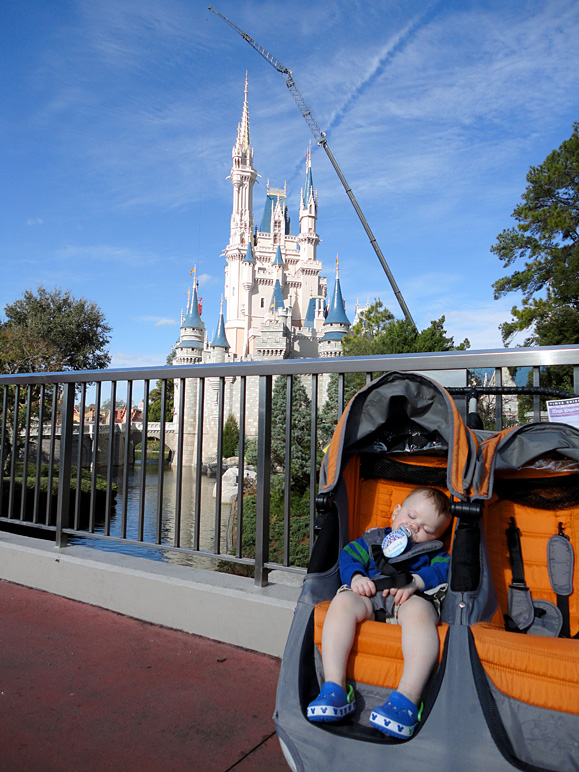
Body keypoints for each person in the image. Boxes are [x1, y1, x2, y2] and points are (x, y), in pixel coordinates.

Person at [307, 487, 451, 739]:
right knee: (341, 603)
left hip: (406, 599)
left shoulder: (432, 552)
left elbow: (444, 570)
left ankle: (408, 699)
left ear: (437, 537)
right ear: (396, 512)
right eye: (411, 516)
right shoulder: (374, 540)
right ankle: (334, 687)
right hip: (368, 596)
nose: (415, 528)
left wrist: (417, 581)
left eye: (427, 529)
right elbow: (349, 555)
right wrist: (356, 576)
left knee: (420, 612)